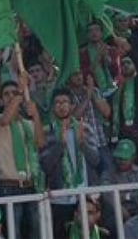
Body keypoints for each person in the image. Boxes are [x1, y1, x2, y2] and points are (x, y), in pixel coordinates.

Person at [40, 88, 99, 237]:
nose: (61, 106)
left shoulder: (84, 128)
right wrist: (60, 145)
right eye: (57, 103)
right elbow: (46, 166)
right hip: (59, 199)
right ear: (53, 108)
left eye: (65, 102)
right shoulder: (47, 131)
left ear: (72, 106)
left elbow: (96, 160)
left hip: (84, 197)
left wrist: (82, 144)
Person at [0, 80, 44, 237]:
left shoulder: (27, 123)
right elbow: (5, 120)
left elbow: (40, 143)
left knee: (35, 234)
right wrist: (19, 94)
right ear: (0, 100)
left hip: (31, 186)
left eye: (14, 93)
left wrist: (36, 115)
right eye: (6, 94)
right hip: (9, 188)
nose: (11, 96)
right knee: (14, 235)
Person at [104, 139, 138, 217]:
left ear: (133, 157)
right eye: (119, 158)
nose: (121, 161)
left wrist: (126, 196)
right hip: (118, 213)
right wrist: (121, 210)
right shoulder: (107, 174)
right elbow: (108, 196)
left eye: (125, 158)